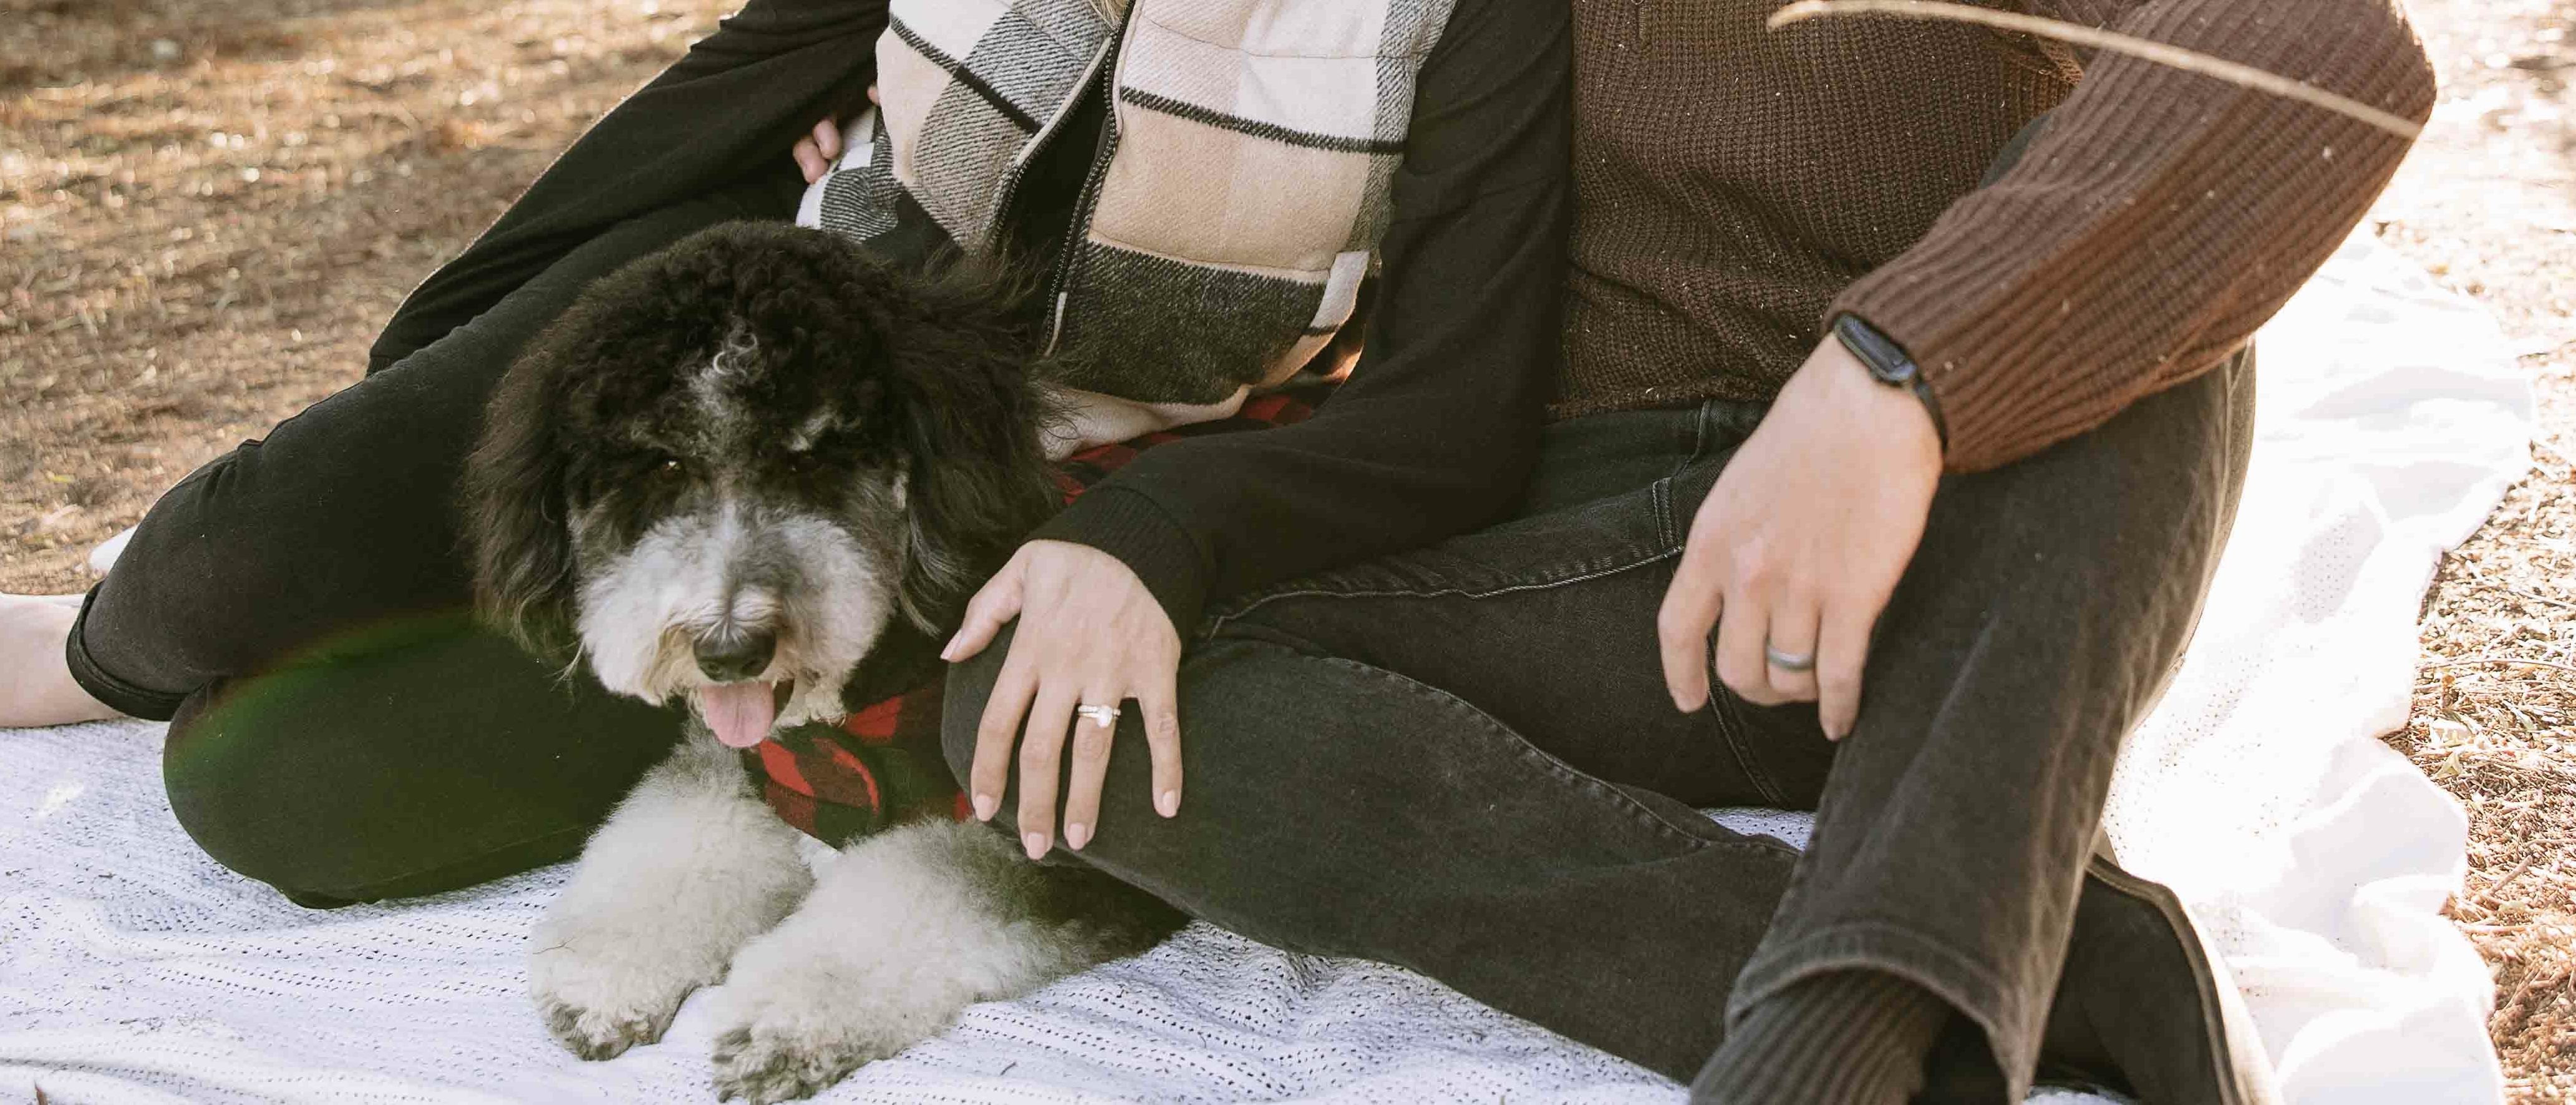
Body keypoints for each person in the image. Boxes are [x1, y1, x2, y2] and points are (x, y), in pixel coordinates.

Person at [937, 1, 2438, 1103]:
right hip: (1630, 590)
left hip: (1959, 531)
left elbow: (2324, 49)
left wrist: (1892, 375)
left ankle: (1854, 1013)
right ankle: (2066, 980)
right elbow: (1407, 378)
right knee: (1042, 693)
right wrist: (1143, 530)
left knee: (2144, 248)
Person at [0, 0, 1572, 910]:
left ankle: (694, 694)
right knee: (232, 559)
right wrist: (434, 370)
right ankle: (90, 653)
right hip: (773, 289)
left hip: (1003, 480)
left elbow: (1453, 410)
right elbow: (754, 71)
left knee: (280, 788)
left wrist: (1157, 531)